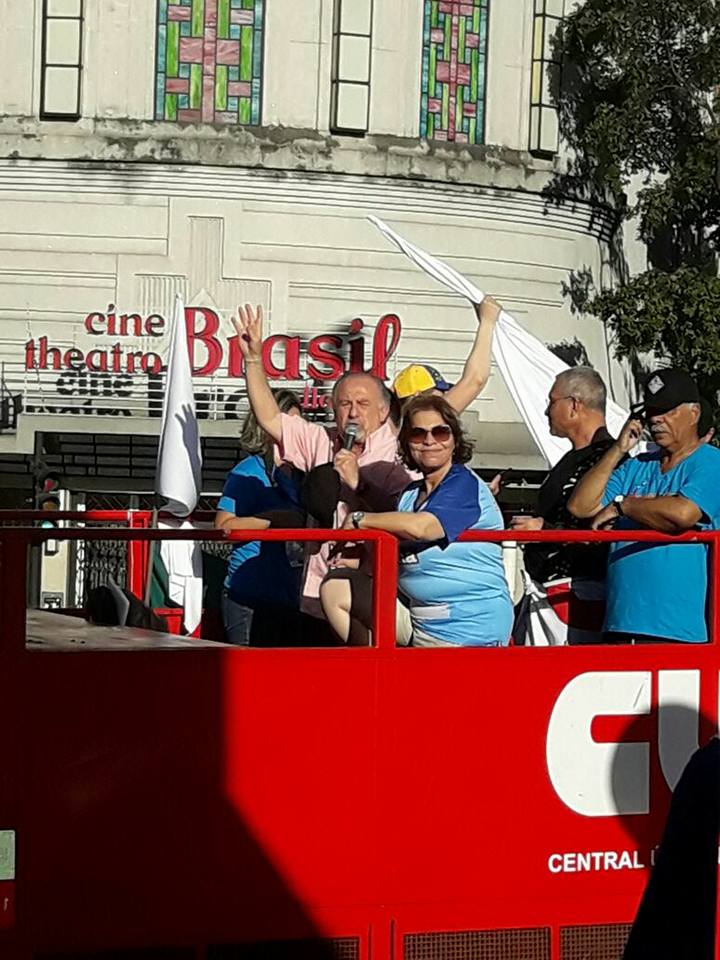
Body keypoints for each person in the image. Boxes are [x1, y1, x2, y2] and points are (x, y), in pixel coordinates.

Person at [234, 304, 412, 621]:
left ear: (384, 411)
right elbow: (271, 418)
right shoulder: (321, 440)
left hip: (374, 594)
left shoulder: (401, 454)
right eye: (345, 404)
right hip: (316, 592)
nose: (353, 413)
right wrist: (252, 360)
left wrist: (359, 484)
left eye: (363, 404)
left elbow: (408, 517)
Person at [322, 395, 513, 647]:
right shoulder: (411, 494)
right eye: (418, 434)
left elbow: (422, 527)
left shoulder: (463, 484)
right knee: (336, 586)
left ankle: (378, 667)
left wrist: (360, 519)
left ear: (455, 440)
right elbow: (396, 523)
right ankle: (372, 666)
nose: (429, 441)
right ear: (406, 442)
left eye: (440, 432)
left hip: (467, 629)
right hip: (418, 617)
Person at [568, 368, 720, 644]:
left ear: (694, 413)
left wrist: (623, 506)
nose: (656, 419)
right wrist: (618, 449)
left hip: (677, 631)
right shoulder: (638, 465)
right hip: (619, 623)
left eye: (667, 410)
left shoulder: (710, 461)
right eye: (651, 411)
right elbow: (581, 506)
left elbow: (683, 513)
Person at [511, 366, 617, 645]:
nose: (547, 411)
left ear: (574, 405)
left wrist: (545, 529)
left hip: (577, 596)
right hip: (548, 592)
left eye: (552, 401)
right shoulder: (570, 459)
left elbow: (603, 527)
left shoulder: (609, 460)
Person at [214, 389, 306, 645]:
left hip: (294, 598)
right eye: (286, 424)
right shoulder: (247, 472)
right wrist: (272, 519)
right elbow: (222, 527)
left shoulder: (307, 473)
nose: (294, 432)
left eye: (299, 424)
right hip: (249, 597)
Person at [392, 297, 502, 411]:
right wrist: (487, 322)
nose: (446, 394)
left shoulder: (394, 419)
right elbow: (475, 380)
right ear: (418, 397)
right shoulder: (430, 415)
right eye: (440, 390)